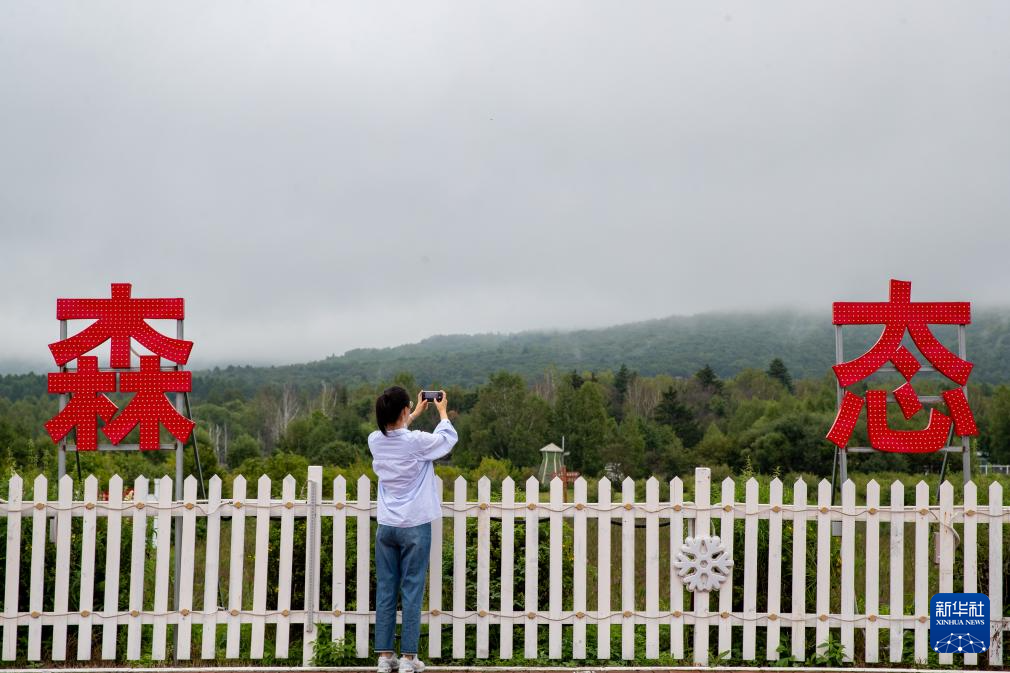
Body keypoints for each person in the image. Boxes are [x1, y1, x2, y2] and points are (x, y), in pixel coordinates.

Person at [368, 386, 457, 673]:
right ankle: (408, 659)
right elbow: (446, 441)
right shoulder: (417, 442)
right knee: (412, 589)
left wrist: (415, 412)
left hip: (387, 526)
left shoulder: (374, 441)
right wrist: (442, 412)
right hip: (415, 525)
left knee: (385, 589)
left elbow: (396, 432)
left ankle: (384, 657)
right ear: (403, 411)